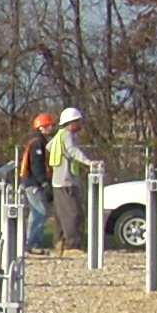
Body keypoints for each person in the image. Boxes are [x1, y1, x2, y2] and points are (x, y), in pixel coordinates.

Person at [47, 105, 92, 253]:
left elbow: (49, 147)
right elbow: (73, 151)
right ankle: (72, 246)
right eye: (78, 121)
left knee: (61, 215)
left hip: (58, 182)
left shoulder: (58, 135)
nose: (80, 124)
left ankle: (59, 243)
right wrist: (89, 162)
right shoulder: (67, 135)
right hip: (66, 182)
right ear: (72, 122)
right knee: (73, 214)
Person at [14, 113, 54, 251]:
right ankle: (31, 243)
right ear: (41, 127)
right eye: (49, 125)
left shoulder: (36, 141)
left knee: (35, 212)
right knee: (40, 212)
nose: (51, 128)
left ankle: (29, 242)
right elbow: (37, 165)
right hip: (33, 183)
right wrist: (44, 182)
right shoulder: (38, 142)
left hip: (31, 182)